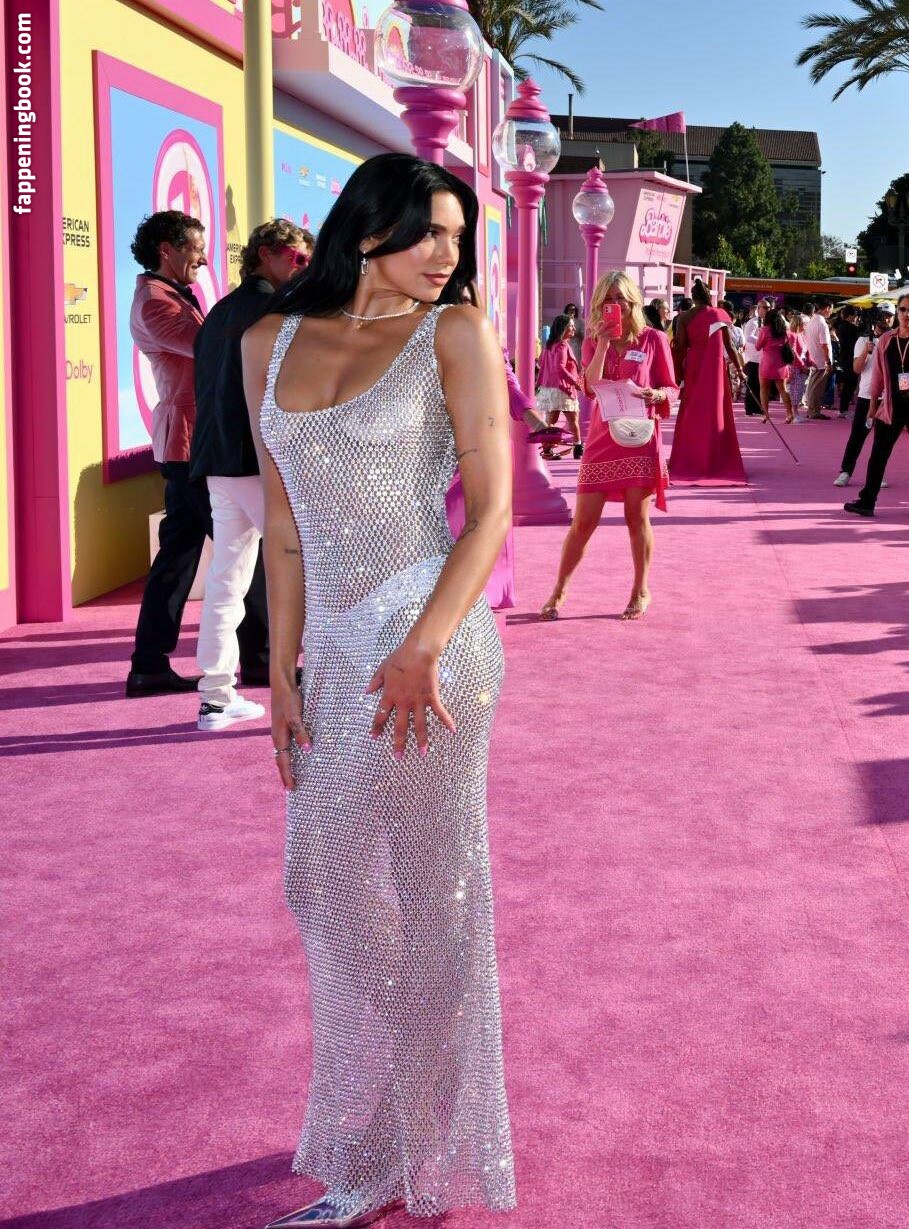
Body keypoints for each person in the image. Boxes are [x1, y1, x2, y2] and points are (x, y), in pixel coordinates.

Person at [241, 152, 516, 1228]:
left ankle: (393, 1142)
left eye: (456, 236)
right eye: (428, 232)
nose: (448, 253)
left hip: (429, 642)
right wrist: (281, 674)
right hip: (335, 643)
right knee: (322, 883)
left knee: (431, 887)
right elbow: (284, 528)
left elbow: (490, 511)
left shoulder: (453, 332)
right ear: (366, 232)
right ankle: (424, 1067)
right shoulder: (267, 342)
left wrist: (423, 645)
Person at [124, 211, 264, 701]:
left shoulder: (171, 296)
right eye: (196, 249)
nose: (204, 259)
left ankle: (148, 665)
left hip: (190, 443)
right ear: (168, 249)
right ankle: (260, 660)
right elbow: (214, 348)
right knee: (243, 550)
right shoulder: (155, 301)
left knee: (179, 558)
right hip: (190, 444)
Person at [190, 219, 313, 731]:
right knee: (311, 572)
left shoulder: (218, 311)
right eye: (297, 257)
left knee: (226, 579)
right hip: (260, 463)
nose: (303, 267)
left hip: (217, 462)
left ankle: (216, 698)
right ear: (266, 253)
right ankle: (325, 685)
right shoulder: (278, 311)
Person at [539, 270, 678, 622]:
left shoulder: (653, 339)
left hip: (640, 436)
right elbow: (588, 387)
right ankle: (559, 589)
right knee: (583, 521)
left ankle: (640, 590)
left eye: (621, 299)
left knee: (636, 518)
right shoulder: (592, 340)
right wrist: (602, 343)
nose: (616, 305)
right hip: (602, 437)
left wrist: (656, 394)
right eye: (608, 300)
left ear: (633, 301)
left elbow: (671, 388)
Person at [668, 277, 748, 485]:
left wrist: (677, 372)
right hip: (715, 368)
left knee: (692, 410)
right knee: (716, 411)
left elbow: (680, 346)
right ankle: (716, 458)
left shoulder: (684, 317)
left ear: (693, 297)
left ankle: (691, 458)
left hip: (694, 366)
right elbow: (730, 346)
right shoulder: (719, 314)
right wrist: (740, 370)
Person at [844, 292, 909, 517]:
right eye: (903, 309)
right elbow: (878, 376)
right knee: (879, 454)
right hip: (891, 404)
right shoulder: (887, 340)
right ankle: (867, 501)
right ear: (897, 313)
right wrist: (873, 405)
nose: (906, 314)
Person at [835, 304, 894, 486]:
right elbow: (856, 369)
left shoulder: (896, 340)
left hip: (888, 398)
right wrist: (866, 352)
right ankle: (846, 471)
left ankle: (877, 475)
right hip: (866, 396)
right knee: (857, 437)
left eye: (889, 315)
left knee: (882, 441)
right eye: (883, 315)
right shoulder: (862, 340)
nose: (886, 319)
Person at [536, 313, 584, 458]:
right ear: (563, 328)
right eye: (571, 326)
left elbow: (540, 363)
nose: (574, 329)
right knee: (573, 420)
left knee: (550, 421)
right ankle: (578, 448)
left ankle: (547, 449)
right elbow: (559, 368)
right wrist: (575, 382)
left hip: (549, 388)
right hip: (563, 388)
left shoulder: (549, 345)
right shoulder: (562, 345)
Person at [755, 306, 796, 423]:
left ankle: (766, 415)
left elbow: (757, 347)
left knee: (764, 390)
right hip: (780, 363)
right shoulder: (784, 332)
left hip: (767, 363)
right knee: (783, 390)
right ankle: (790, 414)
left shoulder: (764, 330)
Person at [803, 297, 834, 420]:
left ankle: (812, 409)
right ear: (827, 308)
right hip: (821, 359)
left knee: (813, 385)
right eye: (831, 309)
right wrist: (828, 361)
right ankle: (814, 411)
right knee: (817, 387)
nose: (831, 312)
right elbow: (824, 344)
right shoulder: (821, 323)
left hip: (814, 357)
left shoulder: (812, 321)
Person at [741, 299, 769, 416]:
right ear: (758, 308)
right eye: (765, 308)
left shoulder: (766, 322)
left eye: (768, 308)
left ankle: (758, 407)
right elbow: (748, 337)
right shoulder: (753, 322)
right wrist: (763, 341)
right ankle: (750, 408)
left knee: (759, 384)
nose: (767, 310)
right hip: (753, 357)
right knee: (753, 383)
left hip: (762, 357)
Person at [833, 305, 861, 419]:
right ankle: (843, 410)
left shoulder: (841, 326)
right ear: (850, 316)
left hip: (845, 358)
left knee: (848, 385)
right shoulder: (850, 327)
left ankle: (843, 409)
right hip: (850, 359)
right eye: (855, 316)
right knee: (850, 385)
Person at [787, 312, 810, 420]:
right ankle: (794, 413)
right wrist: (802, 365)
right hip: (795, 365)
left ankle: (794, 412)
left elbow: (804, 351)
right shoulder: (792, 335)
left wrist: (810, 362)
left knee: (799, 389)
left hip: (800, 364)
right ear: (797, 324)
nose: (804, 327)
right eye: (803, 325)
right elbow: (793, 352)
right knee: (794, 390)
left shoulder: (800, 335)